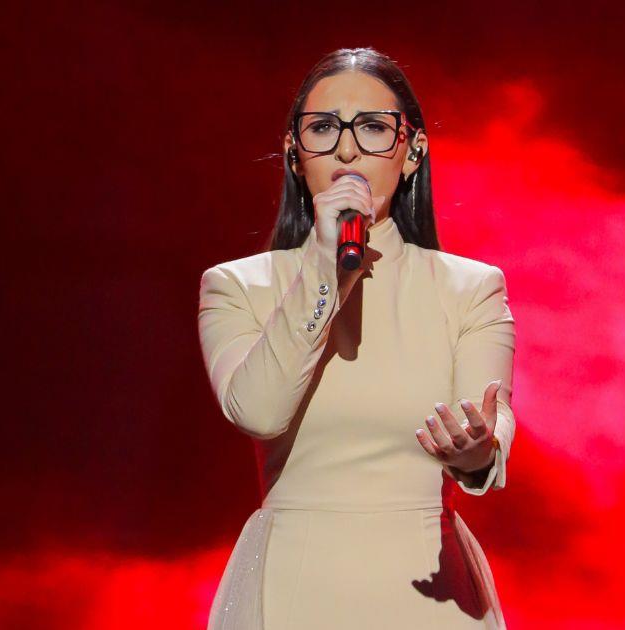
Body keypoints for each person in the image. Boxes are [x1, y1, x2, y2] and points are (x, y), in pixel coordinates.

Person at [198, 47, 516, 629]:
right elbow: (260, 412)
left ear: (412, 151)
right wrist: (325, 267)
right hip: (296, 582)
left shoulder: (470, 289)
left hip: (428, 592)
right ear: (295, 155)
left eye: (372, 127)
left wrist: (476, 452)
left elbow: (488, 421)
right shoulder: (237, 286)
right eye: (323, 129)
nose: (347, 150)